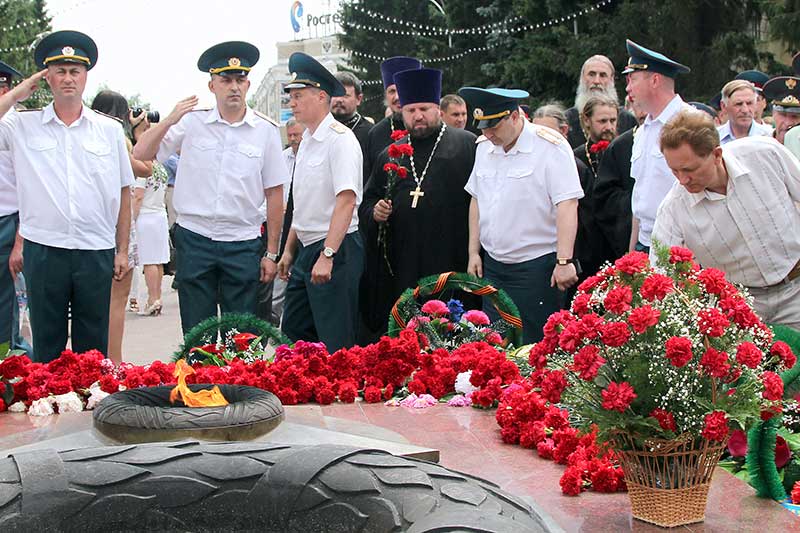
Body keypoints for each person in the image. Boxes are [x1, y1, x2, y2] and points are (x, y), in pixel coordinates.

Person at [134, 41, 288, 334]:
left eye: (240, 80)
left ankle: (236, 381)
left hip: (241, 241)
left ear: (248, 84)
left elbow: (274, 194)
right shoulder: (191, 122)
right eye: (226, 80)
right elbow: (141, 153)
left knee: (240, 335)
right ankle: (197, 382)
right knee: (197, 332)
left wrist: (271, 253)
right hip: (196, 238)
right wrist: (169, 119)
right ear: (212, 85)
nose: (234, 87)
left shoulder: (265, 131)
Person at [0, 31, 134, 362]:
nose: (68, 79)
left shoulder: (109, 130)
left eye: (75, 71)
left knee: (93, 348)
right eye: (59, 71)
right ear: (48, 77)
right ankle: (48, 409)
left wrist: (122, 250)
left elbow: (123, 192)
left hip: (95, 247)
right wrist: (22, 89)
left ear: (86, 76)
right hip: (45, 247)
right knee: (47, 345)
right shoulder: (23, 126)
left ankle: (89, 408)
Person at [652, 110, 800, 329]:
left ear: (717, 155)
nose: (682, 180)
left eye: (689, 169)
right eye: (674, 171)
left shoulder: (765, 154)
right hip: (740, 310)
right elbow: (660, 270)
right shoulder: (674, 207)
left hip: (796, 290)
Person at [459, 88, 583, 343]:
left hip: (535, 267)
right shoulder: (485, 146)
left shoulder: (550, 146)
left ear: (515, 116)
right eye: (483, 127)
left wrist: (563, 261)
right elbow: (477, 199)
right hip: (493, 266)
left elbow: (567, 204)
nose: (488, 134)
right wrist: (473, 251)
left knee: (535, 347)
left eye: (494, 127)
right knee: (496, 345)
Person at [360, 69, 477, 335]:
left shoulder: (467, 145)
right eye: (411, 110)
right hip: (404, 262)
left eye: (424, 108)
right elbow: (368, 201)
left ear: (438, 109)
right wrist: (376, 211)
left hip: (452, 256)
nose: (418, 116)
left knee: (454, 331)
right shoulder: (390, 154)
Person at [276, 52, 363, 351]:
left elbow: (346, 200)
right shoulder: (308, 141)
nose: (292, 103)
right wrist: (288, 249)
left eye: (299, 96)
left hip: (335, 248)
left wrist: (328, 254)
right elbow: (302, 203)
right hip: (306, 247)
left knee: (334, 337)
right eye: (291, 96)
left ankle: (342, 396)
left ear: (322, 97)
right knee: (294, 333)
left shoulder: (340, 140)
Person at [90, 91, 152, 363]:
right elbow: (145, 168)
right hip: (119, 223)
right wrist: (137, 134)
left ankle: (100, 360)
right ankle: (113, 361)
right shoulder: (116, 137)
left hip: (96, 222)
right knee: (116, 300)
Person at [623, 39, 691, 254]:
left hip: (679, 245)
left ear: (654, 80)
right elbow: (640, 195)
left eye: (632, 79)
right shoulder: (644, 130)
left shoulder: (691, 124)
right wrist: (632, 251)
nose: (628, 88)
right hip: (646, 241)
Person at [592, 100, 647, 261]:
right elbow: (604, 196)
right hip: (635, 234)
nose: (644, 113)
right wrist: (636, 199)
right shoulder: (621, 145)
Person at [131, 119, 170, 317]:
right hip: (160, 214)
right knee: (158, 260)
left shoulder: (143, 167)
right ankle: (157, 297)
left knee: (149, 261)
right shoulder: (160, 167)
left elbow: (138, 196)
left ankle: (152, 299)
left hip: (145, 215)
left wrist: (131, 219)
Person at [363, 56, 421, 180]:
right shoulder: (375, 133)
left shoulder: (426, 127)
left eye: (402, 89)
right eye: (392, 91)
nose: (397, 97)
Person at [0, 60, 24, 352]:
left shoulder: (14, 125)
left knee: (5, 312)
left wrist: (19, 238)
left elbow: (26, 187)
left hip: (6, 221)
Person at [565, 54, 637, 148]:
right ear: (582, 78)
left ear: (612, 79)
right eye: (591, 74)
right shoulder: (567, 120)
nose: (596, 81)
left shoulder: (628, 120)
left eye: (603, 75)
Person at [271, 118, 303, 325]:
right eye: (289, 135)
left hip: (306, 225)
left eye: (296, 135)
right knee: (280, 274)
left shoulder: (312, 155)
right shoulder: (282, 159)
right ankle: (273, 316)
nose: (292, 139)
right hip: (283, 224)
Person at [332, 71, 372, 164]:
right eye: (335, 94)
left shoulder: (371, 133)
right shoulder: (321, 130)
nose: (339, 100)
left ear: (359, 99)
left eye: (345, 96)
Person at [717, 79, 771, 144]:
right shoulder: (714, 138)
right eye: (738, 104)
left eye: (749, 103)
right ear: (723, 106)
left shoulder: (769, 137)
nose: (745, 110)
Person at [763, 76, 800, 145]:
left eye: (795, 116)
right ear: (773, 113)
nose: (788, 123)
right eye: (783, 115)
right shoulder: (761, 145)